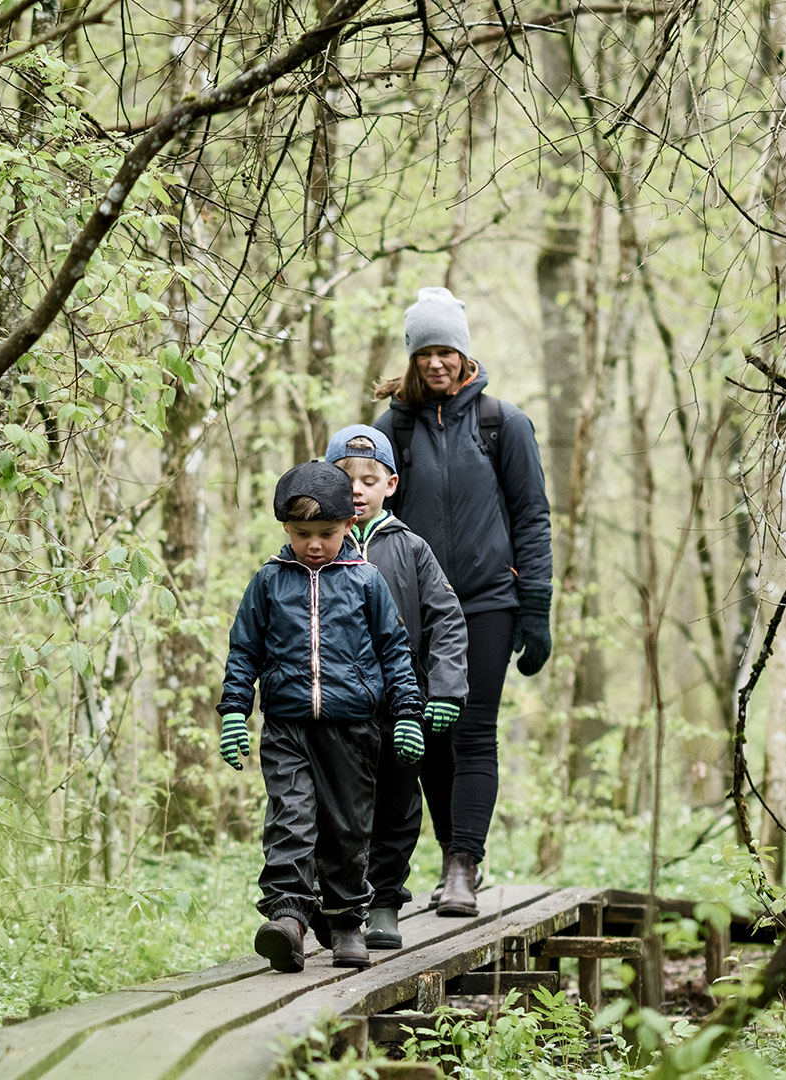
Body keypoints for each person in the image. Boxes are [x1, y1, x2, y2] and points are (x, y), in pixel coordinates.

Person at [373, 286, 553, 918]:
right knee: (423, 733)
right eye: (426, 353)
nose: (437, 364)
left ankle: (462, 866)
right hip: (412, 611)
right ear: (414, 357)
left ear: (464, 353)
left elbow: (532, 517)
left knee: (473, 732)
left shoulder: (504, 423)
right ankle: (455, 853)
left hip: (486, 603)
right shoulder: (391, 428)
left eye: (447, 351)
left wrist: (536, 604)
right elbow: (365, 513)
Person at [217, 461, 426, 973]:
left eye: (326, 534)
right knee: (290, 818)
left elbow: (395, 651)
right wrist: (233, 713)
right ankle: (288, 917)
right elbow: (244, 652)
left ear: (349, 526)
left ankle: (345, 921)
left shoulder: (367, 581)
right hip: (287, 725)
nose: (314, 544)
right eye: (302, 534)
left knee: (347, 828)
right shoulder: (268, 582)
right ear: (285, 529)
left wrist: (406, 714)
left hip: (352, 728)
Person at [324, 425, 468, 950]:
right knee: (338, 809)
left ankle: (384, 901)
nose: (358, 489)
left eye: (369, 479)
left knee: (397, 805)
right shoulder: (314, 548)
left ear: (391, 485)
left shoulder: (411, 548)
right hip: (335, 711)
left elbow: (446, 620)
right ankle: (339, 903)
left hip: (402, 706)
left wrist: (447, 689)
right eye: (345, 479)